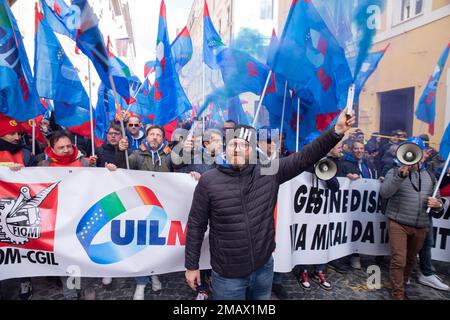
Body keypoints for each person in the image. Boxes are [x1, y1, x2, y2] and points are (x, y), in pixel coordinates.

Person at [185, 110, 355, 300]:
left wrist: (337, 131)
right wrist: (191, 265)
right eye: (233, 144)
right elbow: (196, 225)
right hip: (227, 275)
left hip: (263, 269)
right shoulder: (209, 181)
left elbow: (306, 156)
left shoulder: (269, 172)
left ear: (251, 150)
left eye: (243, 145)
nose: (237, 149)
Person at [380, 136, 445, 300]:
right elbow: (385, 192)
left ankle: (402, 282)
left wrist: (438, 204)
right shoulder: (393, 172)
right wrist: (399, 177)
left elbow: (438, 200)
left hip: (420, 225)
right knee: (398, 260)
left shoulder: (430, 176)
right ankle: (398, 294)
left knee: (410, 260)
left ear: (423, 154)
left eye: (417, 151)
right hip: (398, 223)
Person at [38, 130, 97, 299]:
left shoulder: (85, 163)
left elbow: (98, 185)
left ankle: (87, 288)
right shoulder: (44, 165)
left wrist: (108, 170)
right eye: (61, 147)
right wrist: (16, 171)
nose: (66, 150)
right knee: (66, 260)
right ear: (51, 148)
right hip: (58, 223)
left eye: (68, 146)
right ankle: (71, 293)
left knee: (85, 257)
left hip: (83, 219)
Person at [116, 124, 171, 299]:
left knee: (156, 244)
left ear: (163, 139)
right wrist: (120, 151)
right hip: (140, 207)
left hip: (163, 208)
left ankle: (154, 274)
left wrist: (192, 173)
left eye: (158, 135)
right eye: (152, 134)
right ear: (146, 137)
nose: (154, 137)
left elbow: (182, 169)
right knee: (140, 244)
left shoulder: (170, 156)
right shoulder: (137, 155)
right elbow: (122, 167)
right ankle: (140, 283)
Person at [0, 116, 35, 300]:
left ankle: (24, 283)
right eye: (11, 133)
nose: (16, 137)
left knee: (21, 248)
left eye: (18, 133)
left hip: (20, 211)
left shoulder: (26, 154)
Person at [256, 127, 289, 300]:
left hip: (281, 210)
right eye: (269, 141)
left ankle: (277, 281)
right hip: (261, 211)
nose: (273, 144)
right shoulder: (252, 161)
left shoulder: (283, 160)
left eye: (275, 140)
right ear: (259, 143)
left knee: (281, 242)